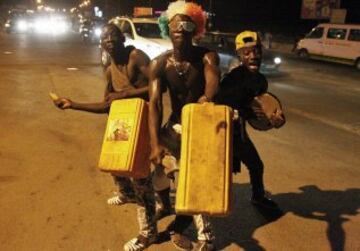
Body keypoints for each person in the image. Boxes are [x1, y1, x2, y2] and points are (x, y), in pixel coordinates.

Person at [52, 23, 157, 251]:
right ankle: (126, 193)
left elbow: (157, 86)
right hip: (124, 121)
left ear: (122, 38)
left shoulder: (136, 56)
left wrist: (126, 94)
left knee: (141, 178)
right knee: (112, 159)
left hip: (144, 121)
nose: (108, 41)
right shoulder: (110, 69)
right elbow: (108, 104)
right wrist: (73, 104)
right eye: (104, 39)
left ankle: (147, 232)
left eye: (113, 37)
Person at [149, 2, 220, 251]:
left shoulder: (206, 56)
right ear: (166, 28)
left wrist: (207, 97)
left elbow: (213, 78)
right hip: (174, 126)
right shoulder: (159, 64)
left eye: (187, 23)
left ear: (196, 29)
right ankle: (162, 206)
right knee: (156, 169)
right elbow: (155, 103)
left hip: (200, 125)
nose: (181, 27)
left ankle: (206, 238)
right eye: (175, 24)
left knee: (194, 182)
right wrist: (155, 142)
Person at [215, 31, 279, 210]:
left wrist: (272, 118)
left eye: (257, 51)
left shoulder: (260, 81)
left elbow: (258, 106)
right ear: (239, 55)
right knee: (217, 171)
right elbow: (217, 104)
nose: (253, 56)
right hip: (221, 133)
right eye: (247, 53)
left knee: (256, 165)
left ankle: (258, 197)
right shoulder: (231, 80)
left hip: (238, 133)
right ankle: (206, 201)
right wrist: (241, 112)